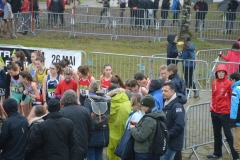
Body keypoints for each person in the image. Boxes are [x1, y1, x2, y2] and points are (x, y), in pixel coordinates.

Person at [206, 64, 239, 159]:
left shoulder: (229, 84)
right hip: (215, 112)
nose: (220, 74)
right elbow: (213, 96)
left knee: (228, 134)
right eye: (219, 72)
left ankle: (235, 156)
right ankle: (217, 153)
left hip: (225, 112)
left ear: (225, 73)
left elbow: (232, 98)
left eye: (222, 72)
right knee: (216, 133)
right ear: (216, 73)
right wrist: (212, 107)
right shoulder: (214, 83)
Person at [60, 89, 94, 160]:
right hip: (82, 144)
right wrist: (86, 140)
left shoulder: (62, 112)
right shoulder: (85, 111)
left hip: (66, 146)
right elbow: (91, 129)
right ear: (76, 98)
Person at [130, 94, 165, 160]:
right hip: (150, 151)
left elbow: (141, 137)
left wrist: (133, 128)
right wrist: (138, 125)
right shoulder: (156, 115)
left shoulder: (149, 119)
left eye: (144, 106)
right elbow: (149, 129)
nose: (142, 108)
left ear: (149, 106)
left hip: (144, 152)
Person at [84, 82, 110, 160]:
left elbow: (87, 116)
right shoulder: (106, 100)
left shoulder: (88, 100)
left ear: (90, 89)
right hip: (103, 131)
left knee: (90, 156)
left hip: (91, 132)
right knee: (99, 155)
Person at [161, 82, 186, 160]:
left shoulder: (177, 106)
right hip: (168, 141)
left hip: (172, 142)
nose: (163, 93)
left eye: (166, 91)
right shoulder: (166, 103)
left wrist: (167, 135)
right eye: (162, 91)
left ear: (172, 91)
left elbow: (179, 125)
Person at [107, 85, 131, 160]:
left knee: (112, 152)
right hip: (126, 132)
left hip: (113, 132)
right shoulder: (128, 102)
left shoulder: (110, 103)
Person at [229, 72, 240, 154]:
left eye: (231, 80)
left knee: (237, 146)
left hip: (238, 121)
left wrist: (232, 122)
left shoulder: (236, 90)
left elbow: (234, 107)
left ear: (234, 80)